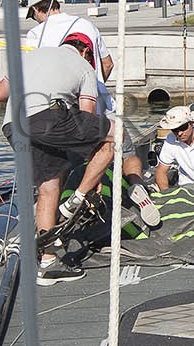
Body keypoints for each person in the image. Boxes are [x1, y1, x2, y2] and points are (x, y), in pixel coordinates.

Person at [0, 43, 113, 283]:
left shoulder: (28, 57)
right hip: (47, 117)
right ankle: (77, 198)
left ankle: (48, 263)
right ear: (85, 52)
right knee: (115, 135)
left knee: (48, 186)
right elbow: (87, 116)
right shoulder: (84, 66)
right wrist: (94, 171)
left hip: (13, 125)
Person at [62, 32, 160, 227]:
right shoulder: (92, 72)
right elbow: (108, 64)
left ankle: (74, 200)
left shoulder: (66, 69)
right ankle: (137, 185)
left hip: (85, 122)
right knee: (128, 155)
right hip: (110, 118)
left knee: (73, 165)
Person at [26, 0, 113, 81]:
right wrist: (96, 85)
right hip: (93, 89)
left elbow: (33, 73)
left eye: (33, 17)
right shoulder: (87, 24)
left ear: (35, 9)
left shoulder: (35, 33)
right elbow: (108, 64)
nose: (36, 20)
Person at [155, 106, 194, 191]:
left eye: (183, 127)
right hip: (189, 188)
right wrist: (166, 194)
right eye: (175, 129)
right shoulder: (170, 139)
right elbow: (161, 171)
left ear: (192, 123)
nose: (179, 133)